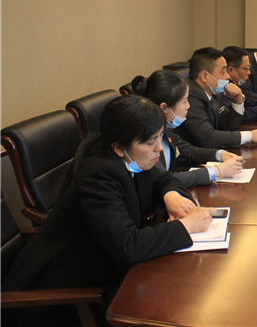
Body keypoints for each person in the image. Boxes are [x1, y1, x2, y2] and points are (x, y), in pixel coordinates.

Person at [2, 96, 215, 325]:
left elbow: (165, 179)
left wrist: (171, 195)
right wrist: (185, 226)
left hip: (106, 265)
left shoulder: (134, 158)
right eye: (149, 142)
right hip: (68, 292)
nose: (158, 148)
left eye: (159, 136)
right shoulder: (99, 175)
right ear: (118, 148)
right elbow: (128, 246)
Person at [132, 70, 245, 187]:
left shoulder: (166, 128)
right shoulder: (145, 138)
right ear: (164, 108)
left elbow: (189, 152)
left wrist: (220, 154)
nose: (188, 106)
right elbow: (163, 180)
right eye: (185, 101)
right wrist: (217, 171)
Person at [175, 47, 257, 148]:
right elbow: (208, 138)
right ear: (205, 76)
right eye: (223, 71)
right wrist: (250, 136)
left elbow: (228, 126)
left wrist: (237, 101)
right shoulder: (189, 96)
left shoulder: (213, 91)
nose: (228, 76)